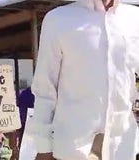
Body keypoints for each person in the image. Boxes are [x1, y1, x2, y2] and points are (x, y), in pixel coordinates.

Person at [31, 0, 139, 160]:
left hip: (122, 147)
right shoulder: (58, 20)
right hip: (74, 148)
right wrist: (44, 147)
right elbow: (45, 89)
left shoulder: (134, 18)